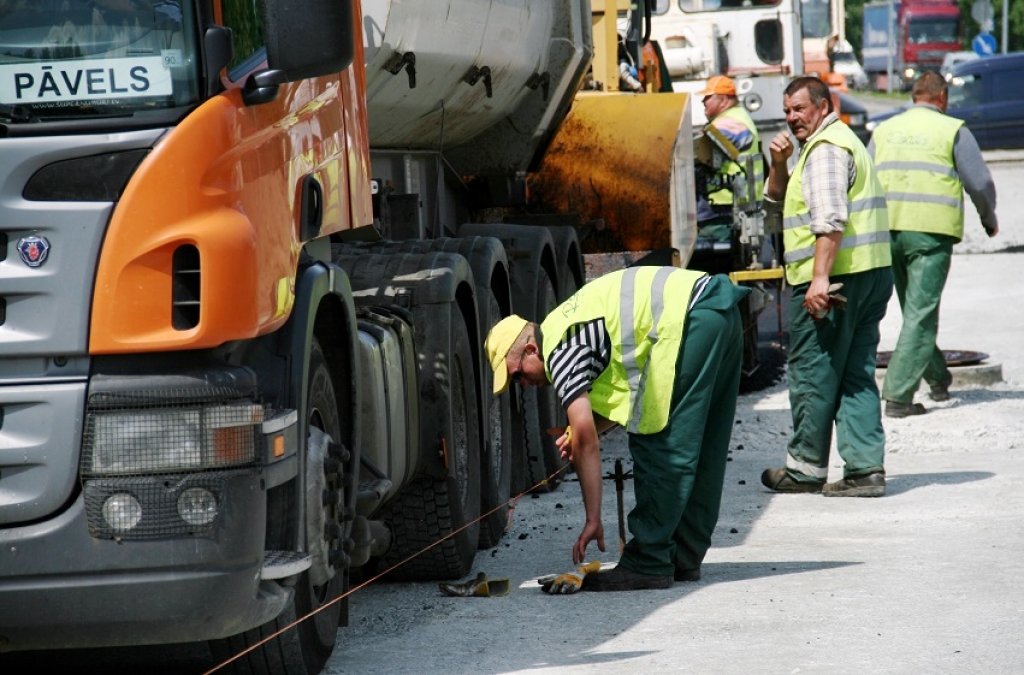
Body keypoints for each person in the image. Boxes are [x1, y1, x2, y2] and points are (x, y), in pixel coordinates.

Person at [484, 267, 749, 591]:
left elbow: (587, 443)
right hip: (717, 312)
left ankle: (649, 562)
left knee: (660, 443)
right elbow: (613, 404)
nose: (523, 385)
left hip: (690, 320)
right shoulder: (566, 324)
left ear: (530, 350)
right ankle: (683, 556)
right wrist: (585, 429)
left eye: (516, 374)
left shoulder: (558, 350)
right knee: (704, 444)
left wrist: (593, 518)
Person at [760, 76, 894, 497]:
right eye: (786, 111)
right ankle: (864, 470)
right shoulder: (837, 142)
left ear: (823, 105)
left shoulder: (826, 151)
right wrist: (779, 165)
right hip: (869, 274)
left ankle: (805, 469)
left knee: (814, 373)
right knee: (855, 373)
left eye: (799, 108)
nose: (791, 117)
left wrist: (820, 278)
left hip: (836, 281)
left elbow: (829, 219)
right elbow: (775, 203)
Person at [869, 71, 999, 418]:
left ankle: (939, 379)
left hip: (887, 232)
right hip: (929, 233)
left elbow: (864, 179)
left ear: (915, 95)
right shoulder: (952, 129)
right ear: (941, 97)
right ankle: (897, 395)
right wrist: (989, 218)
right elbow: (980, 183)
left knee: (915, 313)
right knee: (920, 315)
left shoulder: (883, 131)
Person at [699, 75, 764, 217]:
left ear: (723, 100)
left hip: (727, 210)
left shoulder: (730, 122)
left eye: (708, 97)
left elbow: (698, 153)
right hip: (733, 207)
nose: (703, 101)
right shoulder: (736, 118)